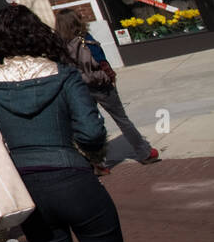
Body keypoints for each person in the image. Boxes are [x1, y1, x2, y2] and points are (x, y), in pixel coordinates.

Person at [0, 5, 134, 242]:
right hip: (74, 179)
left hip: (26, 189)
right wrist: (88, 152)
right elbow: (92, 132)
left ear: (0, 40)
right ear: (38, 33)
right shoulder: (64, 75)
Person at [53, 10, 160, 175]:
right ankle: (145, 153)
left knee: (93, 123)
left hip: (79, 87)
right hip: (101, 85)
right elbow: (102, 62)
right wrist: (111, 77)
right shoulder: (85, 39)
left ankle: (99, 162)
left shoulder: (60, 46)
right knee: (122, 119)